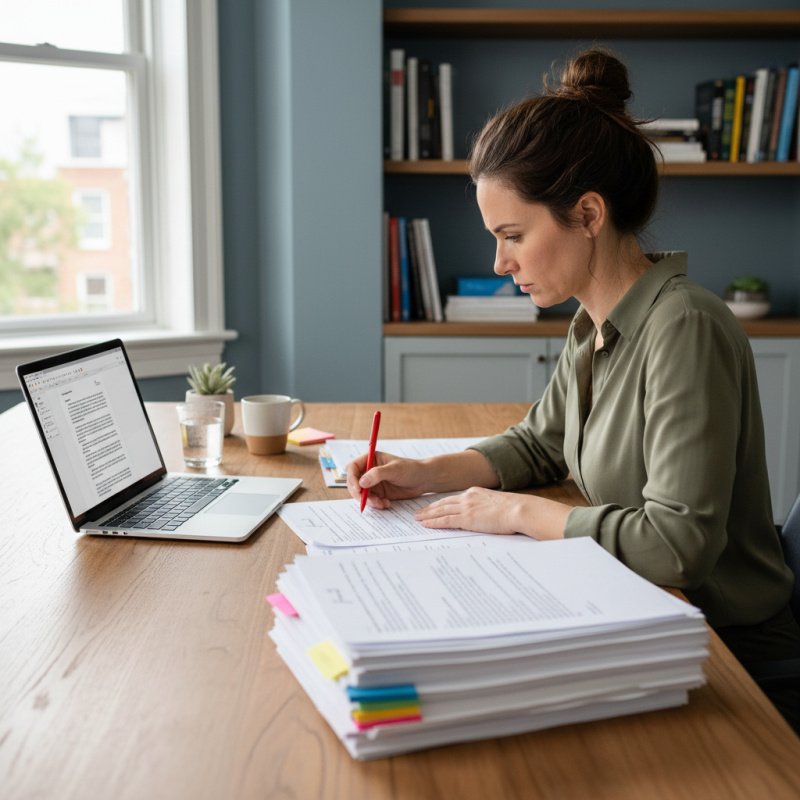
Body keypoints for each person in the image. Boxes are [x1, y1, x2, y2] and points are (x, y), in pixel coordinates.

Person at [348, 48, 800, 728]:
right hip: (644, 612)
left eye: (512, 236)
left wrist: (520, 515)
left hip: (730, 657)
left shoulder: (684, 328)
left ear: (588, 214)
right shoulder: (594, 323)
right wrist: (425, 473)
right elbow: (540, 444)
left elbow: (677, 545)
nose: (499, 264)